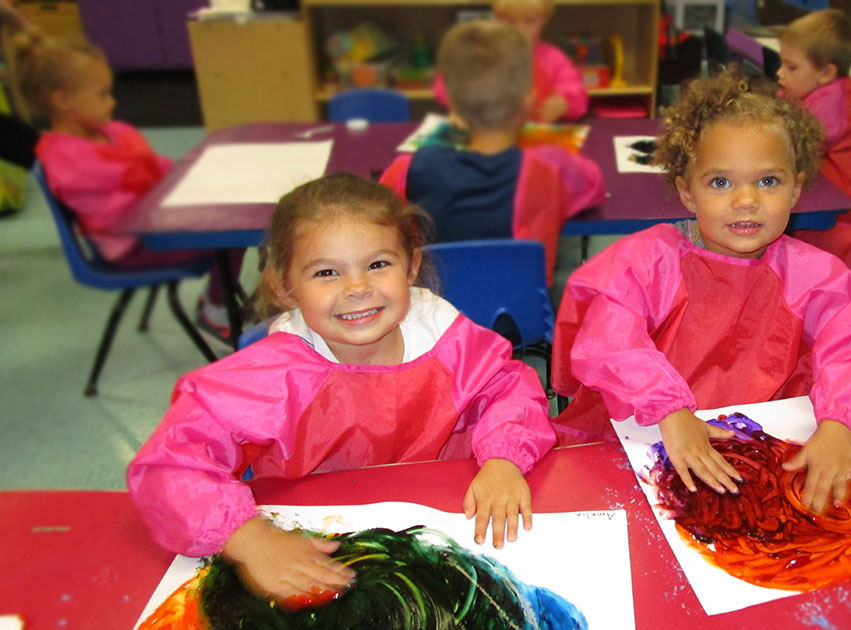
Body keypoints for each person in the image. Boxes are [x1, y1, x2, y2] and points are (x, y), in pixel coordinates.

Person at [128, 173, 556, 603]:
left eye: (377, 264)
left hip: (450, 520)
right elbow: (169, 466)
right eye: (327, 272)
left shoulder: (446, 336)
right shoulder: (274, 372)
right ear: (285, 287)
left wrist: (503, 460)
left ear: (410, 267)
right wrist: (249, 538)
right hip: (323, 542)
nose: (357, 289)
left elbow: (508, 387)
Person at [551, 70, 851, 514]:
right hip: (646, 432)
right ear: (687, 193)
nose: (746, 200)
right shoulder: (648, 261)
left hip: (754, 438)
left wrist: (839, 426)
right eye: (720, 183)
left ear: (796, 188)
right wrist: (670, 411)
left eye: (768, 181)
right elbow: (609, 342)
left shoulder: (817, 276)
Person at [16, 31, 241, 337]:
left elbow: (152, 166)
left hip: (156, 222)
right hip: (132, 246)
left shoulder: (111, 131)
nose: (112, 102)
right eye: (102, 94)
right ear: (63, 100)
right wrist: (182, 203)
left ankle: (221, 293)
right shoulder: (68, 164)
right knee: (232, 234)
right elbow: (121, 218)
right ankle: (215, 309)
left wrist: (186, 178)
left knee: (234, 212)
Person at [382, 20, 604, 285]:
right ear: (528, 100)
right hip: (521, 317)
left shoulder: (407, 169)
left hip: (437, 313)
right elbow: (594, 186)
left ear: (450, 100)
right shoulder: (551, 167)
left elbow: (382, 214)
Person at [776, 8, 851, 266]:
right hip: (846, 181)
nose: (779, 73)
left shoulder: (834, 103)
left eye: (791, 67)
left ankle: (812, 281)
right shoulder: (819, 89)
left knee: (804, 223)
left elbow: (793, 145)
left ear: (826, 73)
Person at [433, 0, 588, 123]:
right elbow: (444, 85)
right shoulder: (481, 52)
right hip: (484, 136)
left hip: (536, 138)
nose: (520, 29)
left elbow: (578, 94)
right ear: (497, 16)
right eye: (511, 21)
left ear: (545, 19)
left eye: (529, 21)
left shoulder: (554, 59)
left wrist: (563, 103)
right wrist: (463, 103)